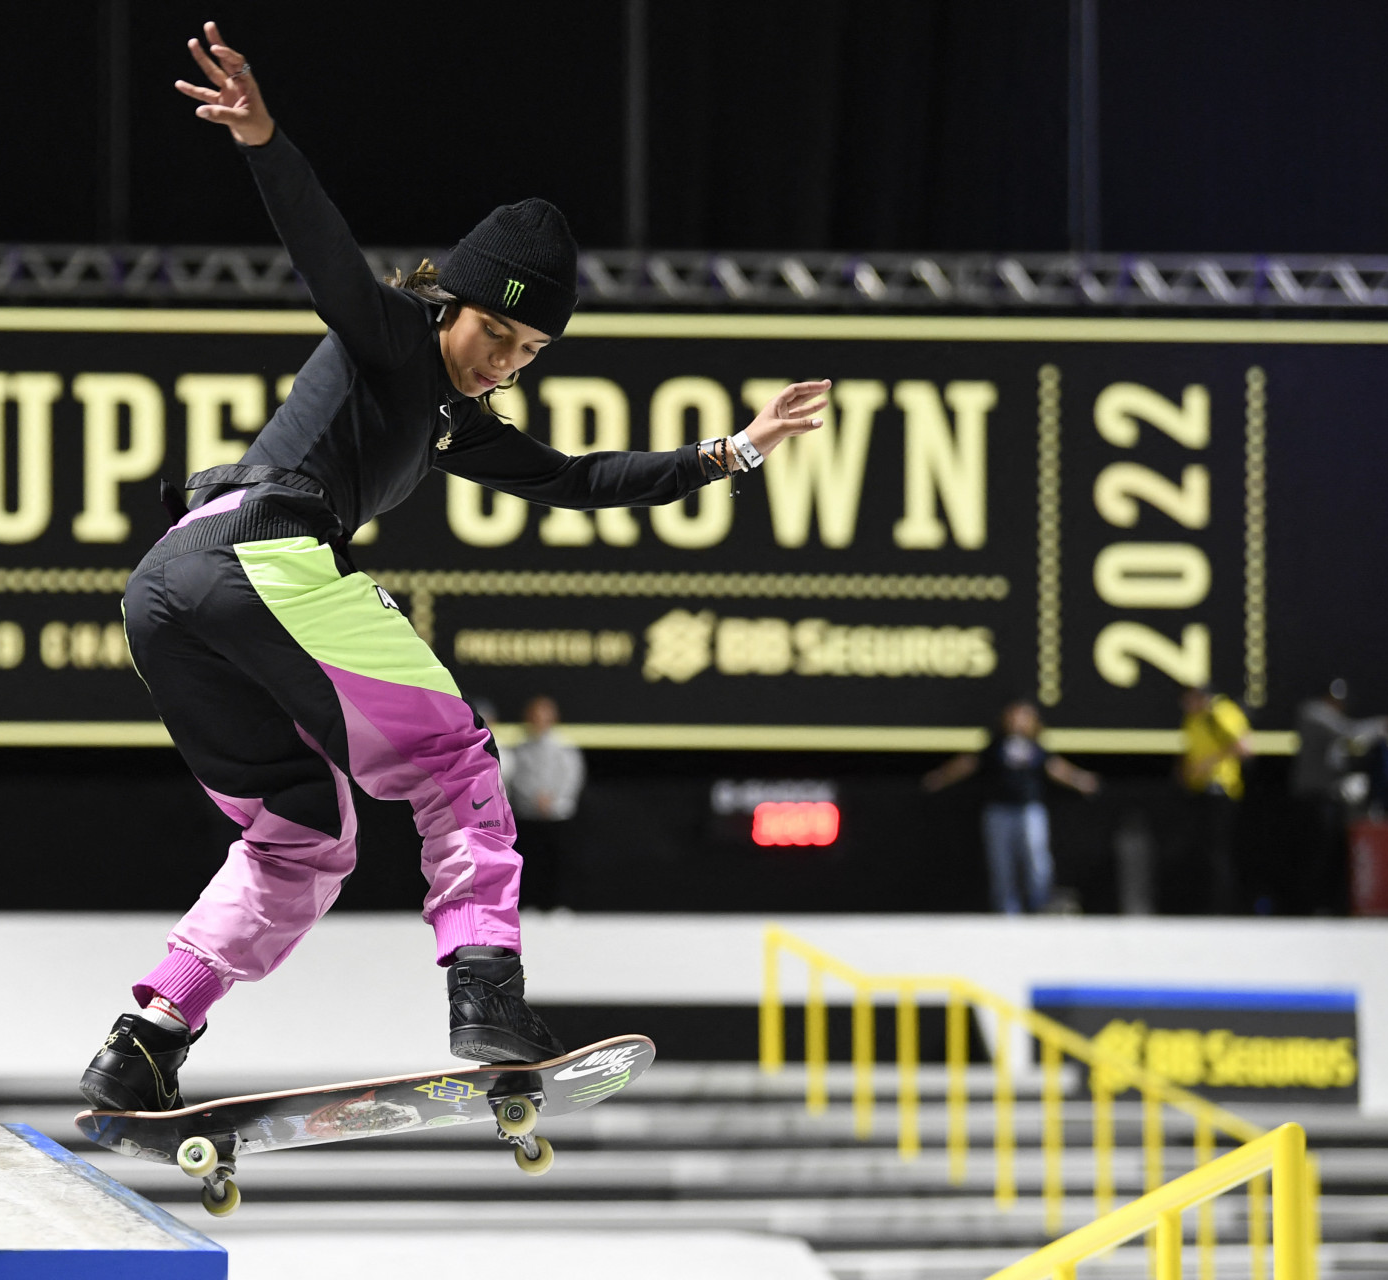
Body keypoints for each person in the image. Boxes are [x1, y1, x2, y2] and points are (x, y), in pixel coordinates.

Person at [79, 22, 831, 1113]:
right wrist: (264, 138)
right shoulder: (390, 331)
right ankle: (486, 989)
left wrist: (736, 449)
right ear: (453, 298)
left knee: (302, 835)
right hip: (258, 558)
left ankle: (146, 1035)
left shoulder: (450, 418)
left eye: (526, 357)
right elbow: (322, 247)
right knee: (453, 756)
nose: (500, 364)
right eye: (493, 335)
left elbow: (579, 478)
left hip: (168, 592)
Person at [923, 700, 1100, 914]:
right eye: (1014, 716)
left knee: (1037, 859)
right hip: (998, 812)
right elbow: (968, 763)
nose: (1018, 721)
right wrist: (941, 777)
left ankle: (1040, 904)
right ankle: (1007, 911)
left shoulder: (1036, 747)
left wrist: (1079, 780)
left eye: (1023, 717)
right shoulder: (996, 744)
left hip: (1029, 810)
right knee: (1001, 863)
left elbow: (1055, 768)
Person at [1290, 679, 1388, 914]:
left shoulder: (1331, 719)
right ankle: (1308, 904)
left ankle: (1329, 903)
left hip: (1329, 796)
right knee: (1314, 851)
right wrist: (1378, 726)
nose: (1337, 706)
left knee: (1331, 851)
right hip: (1312, 797)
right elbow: (1349, 732)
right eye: (1333, 700)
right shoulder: (1312, 713)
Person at [502, 696, 586, 910]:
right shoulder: (520, 749)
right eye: (535, 714)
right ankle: (530, 902)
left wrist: (555, 799)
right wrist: (533, 798)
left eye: (544, 714)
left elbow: (571, 777)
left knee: (559, 862)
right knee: (530, 861)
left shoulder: (564, 747)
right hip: (528, 813)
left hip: (558, 814)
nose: (539, 719)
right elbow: (516, 778)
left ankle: (560, 903)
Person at [1177, 685, 1252, 914]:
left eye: (1189, 700)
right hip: (1199, 791)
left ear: (1201, 698)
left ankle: (1223, 906)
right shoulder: (1192, 720)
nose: (1185, 706)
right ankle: (1206, 904)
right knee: (1203, 851)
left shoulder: (1220, 712)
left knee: (1218, 852)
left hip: (1221, 790)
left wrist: (1209, 763)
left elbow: (1244, 747)